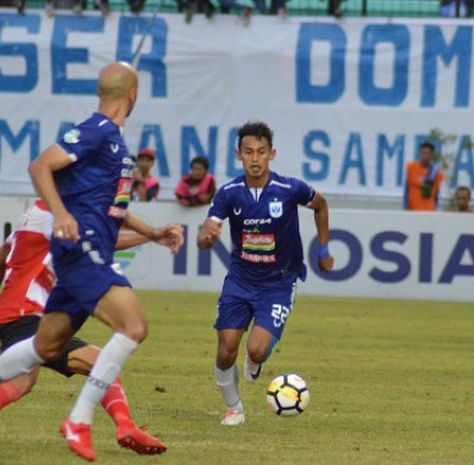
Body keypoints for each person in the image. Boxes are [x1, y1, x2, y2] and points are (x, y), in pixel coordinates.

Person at [0, 62, 183, 461]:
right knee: (133, 327)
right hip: (74, 262)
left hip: (77, 263)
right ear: (133, 95)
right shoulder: (95, 131)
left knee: (42, 352)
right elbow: (40, 165)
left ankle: (111, 423)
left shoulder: (115, 146)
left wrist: (152, 233)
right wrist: (61, 213)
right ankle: (84, 421)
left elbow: (110, 212)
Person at [0, 200, 182, 454]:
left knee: (24, 382)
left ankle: (125, 426)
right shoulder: (55, 213)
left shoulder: (35, 216)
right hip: (25, 314)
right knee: (97, 361)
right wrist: (149, 236)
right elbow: (99, 242)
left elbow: (5, 253)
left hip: (22, 313)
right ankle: (124, 425)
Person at [197, 121, 334, 427]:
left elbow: (321, 205)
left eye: (261, 152)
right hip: (240, 279)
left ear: (272, 154)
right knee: (225, 350)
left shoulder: (289, 189)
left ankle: (256, 358)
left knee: (256, 349)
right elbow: (205, 234)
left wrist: (323, 249)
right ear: (238, 155)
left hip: (279, 282)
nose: (255, 158)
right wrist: (206, 237)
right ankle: (234, 408)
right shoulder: (229, 193)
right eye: (248, 152)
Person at [404, 142, 445, 212]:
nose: (424, 156)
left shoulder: (437, 173)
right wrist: (405, 206)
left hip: (429, 210)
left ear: (432, 155)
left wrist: (435, 209)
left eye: (427, 153)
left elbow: (436, 195)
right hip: (413, 209)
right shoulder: (411, 167)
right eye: (422, 153)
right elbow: (406, 189)